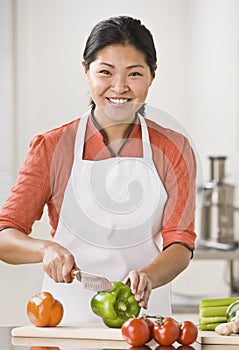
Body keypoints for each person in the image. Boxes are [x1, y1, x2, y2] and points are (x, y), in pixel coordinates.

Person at [0, 16, 197, 322]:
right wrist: (45, 250)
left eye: (134, 74)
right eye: (105, 72)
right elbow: (5, 234)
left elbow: (180, 244)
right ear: (86, 71)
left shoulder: (173, 148)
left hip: (144, 321)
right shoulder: (53, 147)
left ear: (152, 75)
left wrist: (148, 276)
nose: (119, 87)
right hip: (66, 319)